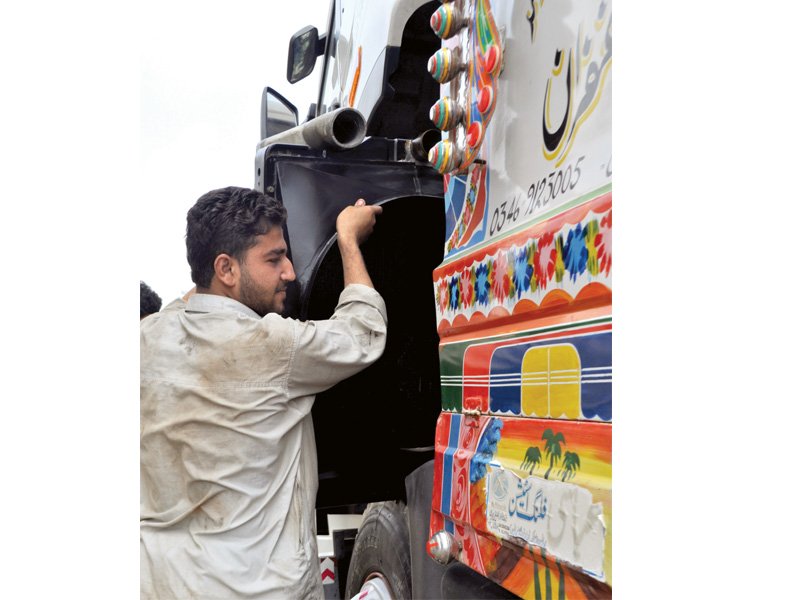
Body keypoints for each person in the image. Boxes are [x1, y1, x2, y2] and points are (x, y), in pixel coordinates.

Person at [140, 186, 387, 599]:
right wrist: (348, 239)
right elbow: (363, 331)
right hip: (255, 588)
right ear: (226, 269)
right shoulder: (272, 344)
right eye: (274, 259)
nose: (289, 271)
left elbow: (183, 308)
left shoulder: (145, 339)